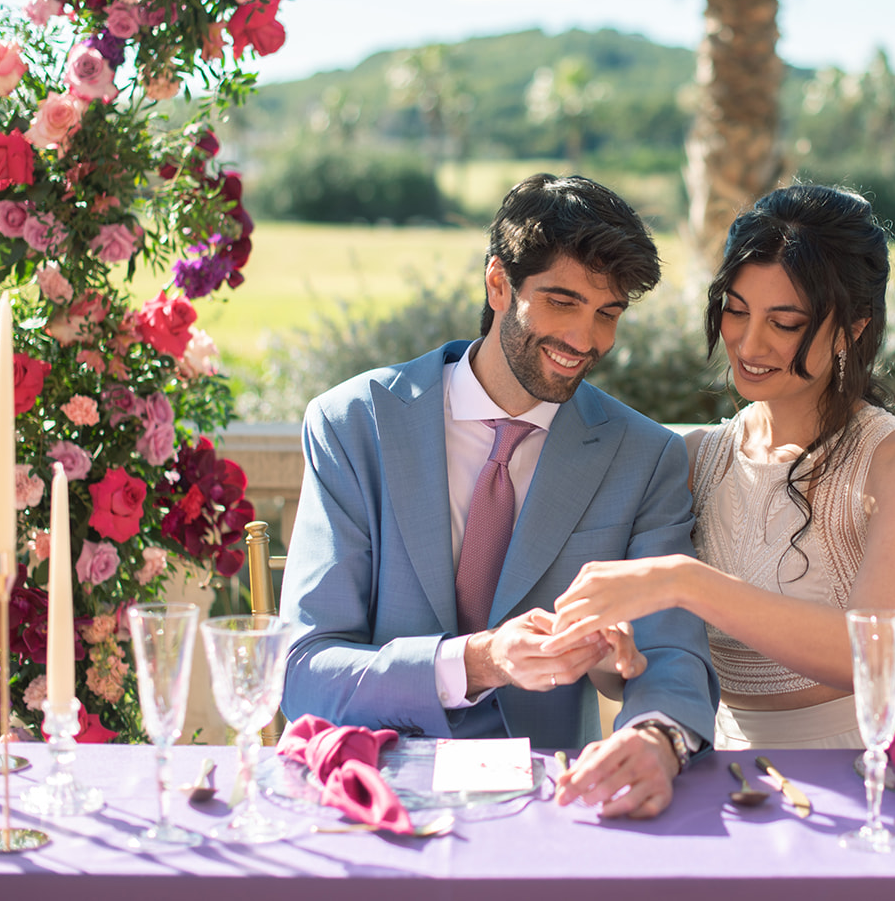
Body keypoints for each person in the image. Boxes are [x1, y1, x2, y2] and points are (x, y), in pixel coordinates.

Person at [279, 173, 719, 818]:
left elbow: (674, 654)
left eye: (608, 313)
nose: (586, 340)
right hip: (369, 791)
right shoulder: (354, 425)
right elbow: (304, 673)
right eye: (562, 302)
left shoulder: (644, 455)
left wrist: (656, 737)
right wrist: (480, 661)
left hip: (550, 804)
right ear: (497, 284)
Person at [544, 184, 895, 749]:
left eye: (784, 323)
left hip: (857, 762)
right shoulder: (694, 459)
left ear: (852, 328)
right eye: (736, 310)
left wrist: (685, 583)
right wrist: (607, 652)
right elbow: (622, 675)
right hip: (717, 761)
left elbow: (874, 655)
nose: (748, 343)